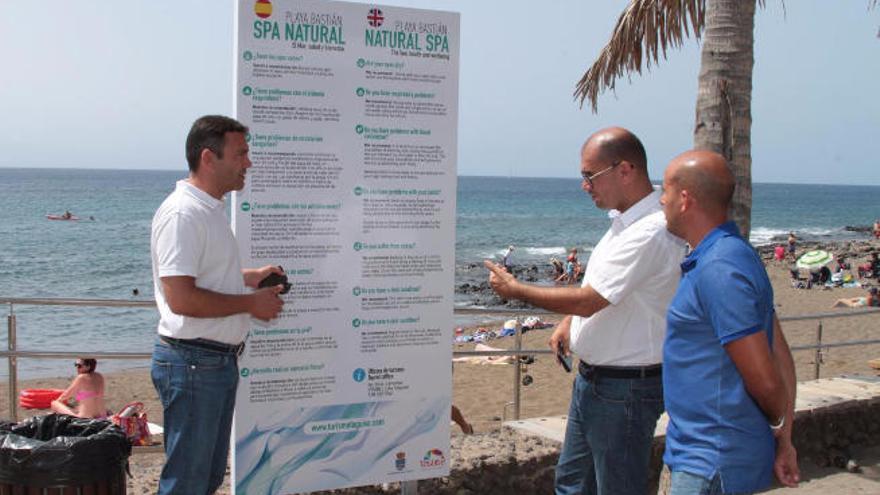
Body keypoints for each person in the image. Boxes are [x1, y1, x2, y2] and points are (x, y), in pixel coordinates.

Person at [484, 127, 686, 495]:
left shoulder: (651, 230)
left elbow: (590, 299)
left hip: (624, 387)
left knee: (615, 488)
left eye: (589, 176)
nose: (584, 186)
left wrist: (516, 290)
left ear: (625, 170)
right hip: (597, 381)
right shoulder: (624, 223)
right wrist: (568, 323)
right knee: (573, 484)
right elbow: (605, 289)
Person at [150, 115, 285, 494]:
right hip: (194, 363)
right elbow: (181, 298)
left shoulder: (205, 209)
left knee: (204, 479)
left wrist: (250, 276)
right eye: (241, 154)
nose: (248, 163)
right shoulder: (183, 214)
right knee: (188, 483)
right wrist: (249, 304)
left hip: (210, 362)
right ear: (209, 158)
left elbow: (201, 277)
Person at [659, 150, 799, 494]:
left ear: (685, 199)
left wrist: (778, 427)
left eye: (664, 190)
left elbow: (766, 380)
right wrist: (785, 439)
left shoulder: (719, 268)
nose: (660, 200)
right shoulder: (733, 253)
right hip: (709, 455)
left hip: (712, 461)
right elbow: (779, 350)